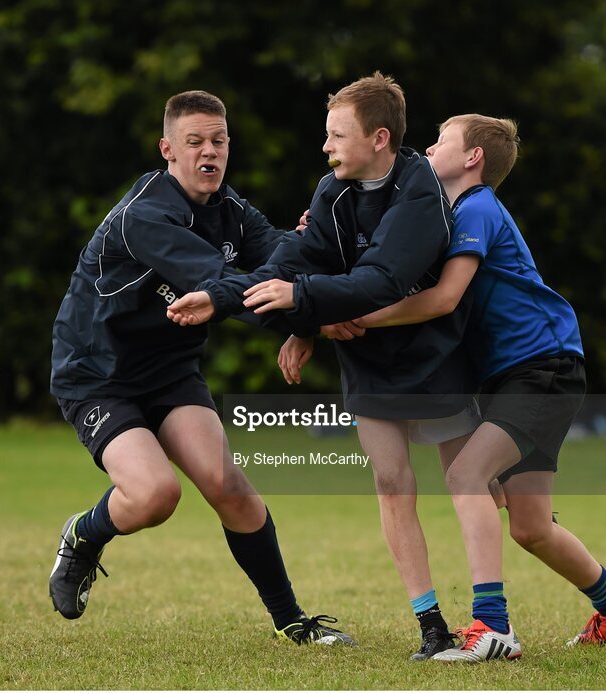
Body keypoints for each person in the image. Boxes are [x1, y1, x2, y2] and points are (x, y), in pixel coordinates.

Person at [167, 73, 482, 661]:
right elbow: (292, 258)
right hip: (368, 361)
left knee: (479, 490)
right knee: (392, 485)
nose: (326, 146)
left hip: (434, 357)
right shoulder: (332, 192)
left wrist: (303, 304)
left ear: (380, 138)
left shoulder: (419, 191)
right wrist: (226, 298)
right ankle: (432, 627)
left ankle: (492, 620)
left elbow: (383, 279)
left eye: (338, 135)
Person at [48, 90, 355, 646]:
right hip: (98, 375)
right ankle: (83, 536)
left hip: (170, 372)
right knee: (155, 496)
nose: (208, 152)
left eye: (218, 141)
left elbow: (279, 255)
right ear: (168, 149)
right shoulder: (146, 215)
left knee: (229, 486)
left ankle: (292, 623)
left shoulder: (231, 209)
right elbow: (221, 283)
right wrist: (311, 315)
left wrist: (311, 249)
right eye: (195, 142)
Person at [353, 114, 606, 662]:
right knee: (531, 526)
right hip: (515, 375)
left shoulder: (477, 208)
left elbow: (444, 299)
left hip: (543, 366)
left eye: (441, 138)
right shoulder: (448, 215)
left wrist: (362, 316)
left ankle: (493, 628)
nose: (427, 144)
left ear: (473, 158)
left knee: (466, 473)